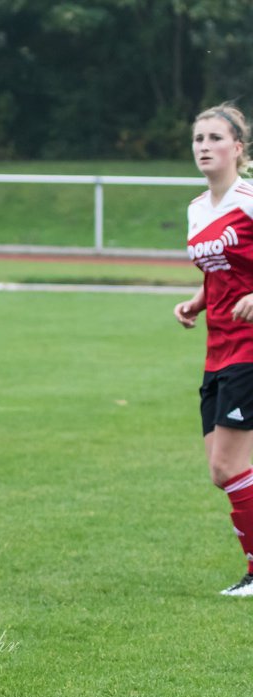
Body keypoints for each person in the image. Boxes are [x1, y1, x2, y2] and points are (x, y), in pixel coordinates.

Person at [174, 103, 253, 596]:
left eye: (214, 138)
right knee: (222, 473)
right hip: (218, 348)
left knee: (228, 467)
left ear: (238, 149)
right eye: (198, 139)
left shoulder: (249, 199)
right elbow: (218, 270)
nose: (204, 146)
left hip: (250, 347)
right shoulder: (197, 207)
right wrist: (198, 301)